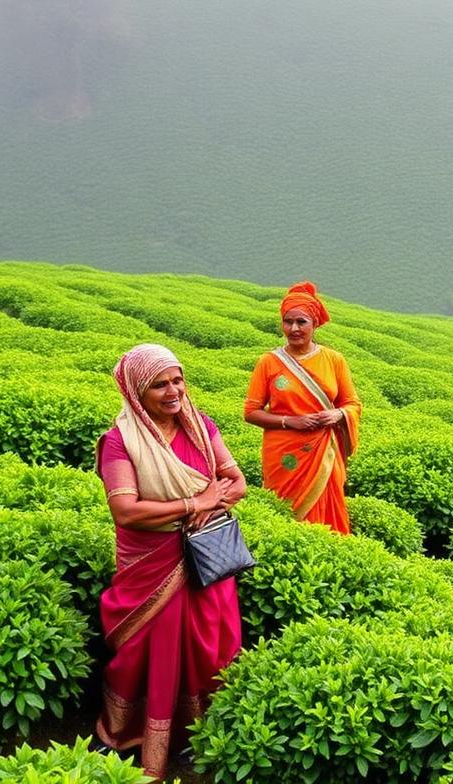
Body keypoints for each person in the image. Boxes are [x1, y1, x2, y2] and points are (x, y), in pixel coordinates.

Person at [94, 343, 246, 779]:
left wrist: (209, 503)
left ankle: (196, 736)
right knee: (148, 648)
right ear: (136, 392)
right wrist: (193, 502)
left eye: (177, 380)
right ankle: (126, 734)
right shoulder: (120, 441)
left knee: (209, 645)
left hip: (204, 556)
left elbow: (235, 484)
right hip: (151, 563)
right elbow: (126, 509)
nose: (172, 391)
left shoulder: (202, 427)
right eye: (159, 384)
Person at [244, 281, 360, 534]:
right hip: (284, 453)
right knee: (284, 517)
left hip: (323, 449)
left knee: (326, 519)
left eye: (301, 322)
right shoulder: (269, 362)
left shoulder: (334, 360)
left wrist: (338, 414)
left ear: (315, 323)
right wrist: (289, 422)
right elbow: (251, 411)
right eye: (288, 322)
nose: (294, 328)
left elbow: (352, 403)